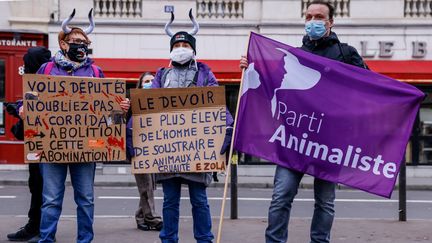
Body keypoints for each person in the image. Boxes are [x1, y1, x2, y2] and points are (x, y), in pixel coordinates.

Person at [240, 1, 367, 243]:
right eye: (308, 16)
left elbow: (367, 86)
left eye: (319, 17)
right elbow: (270, 85)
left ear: (330, 22)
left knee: (325, 202)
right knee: (281, 196)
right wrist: (251, 69)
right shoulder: (294, 55)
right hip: (294, 139)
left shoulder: (346, 53)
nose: (313, 21)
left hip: (330, 142)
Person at [18, 9, 130, 243]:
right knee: (50, 199)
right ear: (63, 43)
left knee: (86, 198)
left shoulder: (96, 72)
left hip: (87, 146)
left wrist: (121, 109)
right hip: (53, 145)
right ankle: (46, 238)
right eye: (75, 41)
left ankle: (84, 240)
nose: (80, 45)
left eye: (84, 42)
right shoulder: (46, 70)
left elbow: (110, 117)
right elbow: (30, 97)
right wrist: (24, 109)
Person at [152, 9, 233, 243]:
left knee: (199, 200)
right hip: (167, 148)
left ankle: (204, 239)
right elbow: (147, 105)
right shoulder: (161, 74)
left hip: (196, 149)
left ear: (193, 49)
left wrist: (229, 127)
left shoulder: (205, 73)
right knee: (169, 201)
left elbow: (218, 104)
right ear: (171, 50)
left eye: (185, 46)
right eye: (176, 46)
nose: (180, 49)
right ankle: (168, 239)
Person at [6, 47, 51, 243]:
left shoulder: (40, 85)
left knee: (41, 188)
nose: (23, 68)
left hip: (42, 147)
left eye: (26, 64)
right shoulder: (38, 84)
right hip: (40, 146)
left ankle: (38, 228)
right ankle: (39, 227)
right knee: (39, 188)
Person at [126, 72, 163, 231]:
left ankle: (141, 217)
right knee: (146, 185)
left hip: (153, 150)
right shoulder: (133, 104)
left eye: (152, 81)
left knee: (149, 186)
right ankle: (152, 218)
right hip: (137, 150)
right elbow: (126, 125)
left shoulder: (159, 103)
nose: (149, 83)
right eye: (146, 81)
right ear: (140, 86)